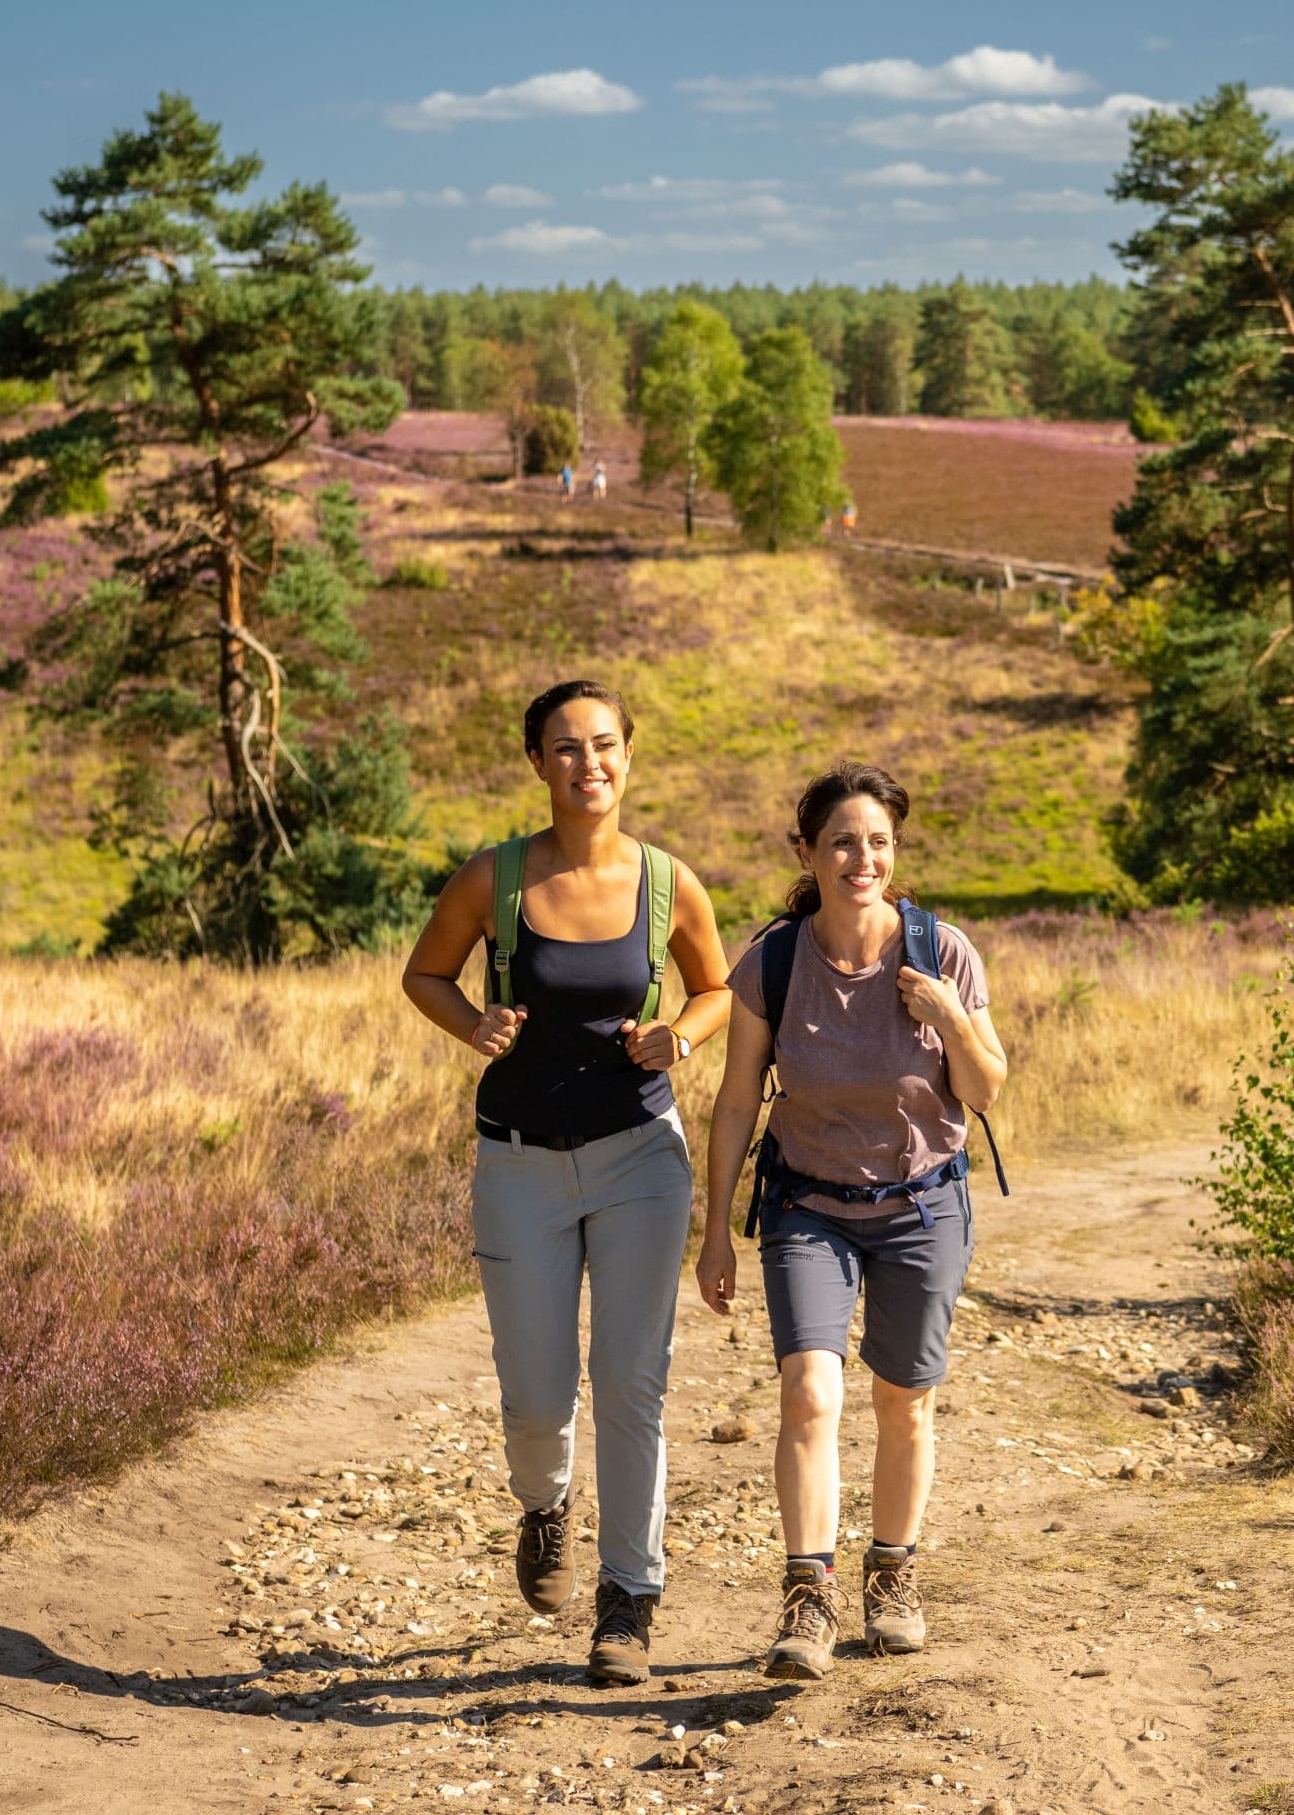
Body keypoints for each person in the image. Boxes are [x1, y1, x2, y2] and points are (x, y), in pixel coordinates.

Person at [401, 680, 732, 1689]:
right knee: (538, 1391)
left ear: (628, 755)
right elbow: (425, 974)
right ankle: (546, 1505)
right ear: (538, 763)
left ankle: (628, 1599)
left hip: (640, 1155)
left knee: (633, 1382)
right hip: (519, 1161)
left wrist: (678, 1034)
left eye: (603, 744)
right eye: (565, 747)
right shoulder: (493, 878)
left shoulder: (670, 882)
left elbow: (716, 988)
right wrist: (474, 1025)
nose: (588, 762)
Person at [697, 764, 1007, 1680]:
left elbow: (985, 1090)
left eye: (877, 841)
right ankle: (807, 1596)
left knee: (904, 1401)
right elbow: (733, 1102)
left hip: (920, 1203)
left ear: (895, 851)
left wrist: (949, 1014)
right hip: (807, 1205)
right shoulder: (774, 961)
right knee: (809, 1392)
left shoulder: (943, 952)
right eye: (841, 841)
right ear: (807, 852)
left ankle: (893, 1578)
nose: (860, 858)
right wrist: (715, 1230)